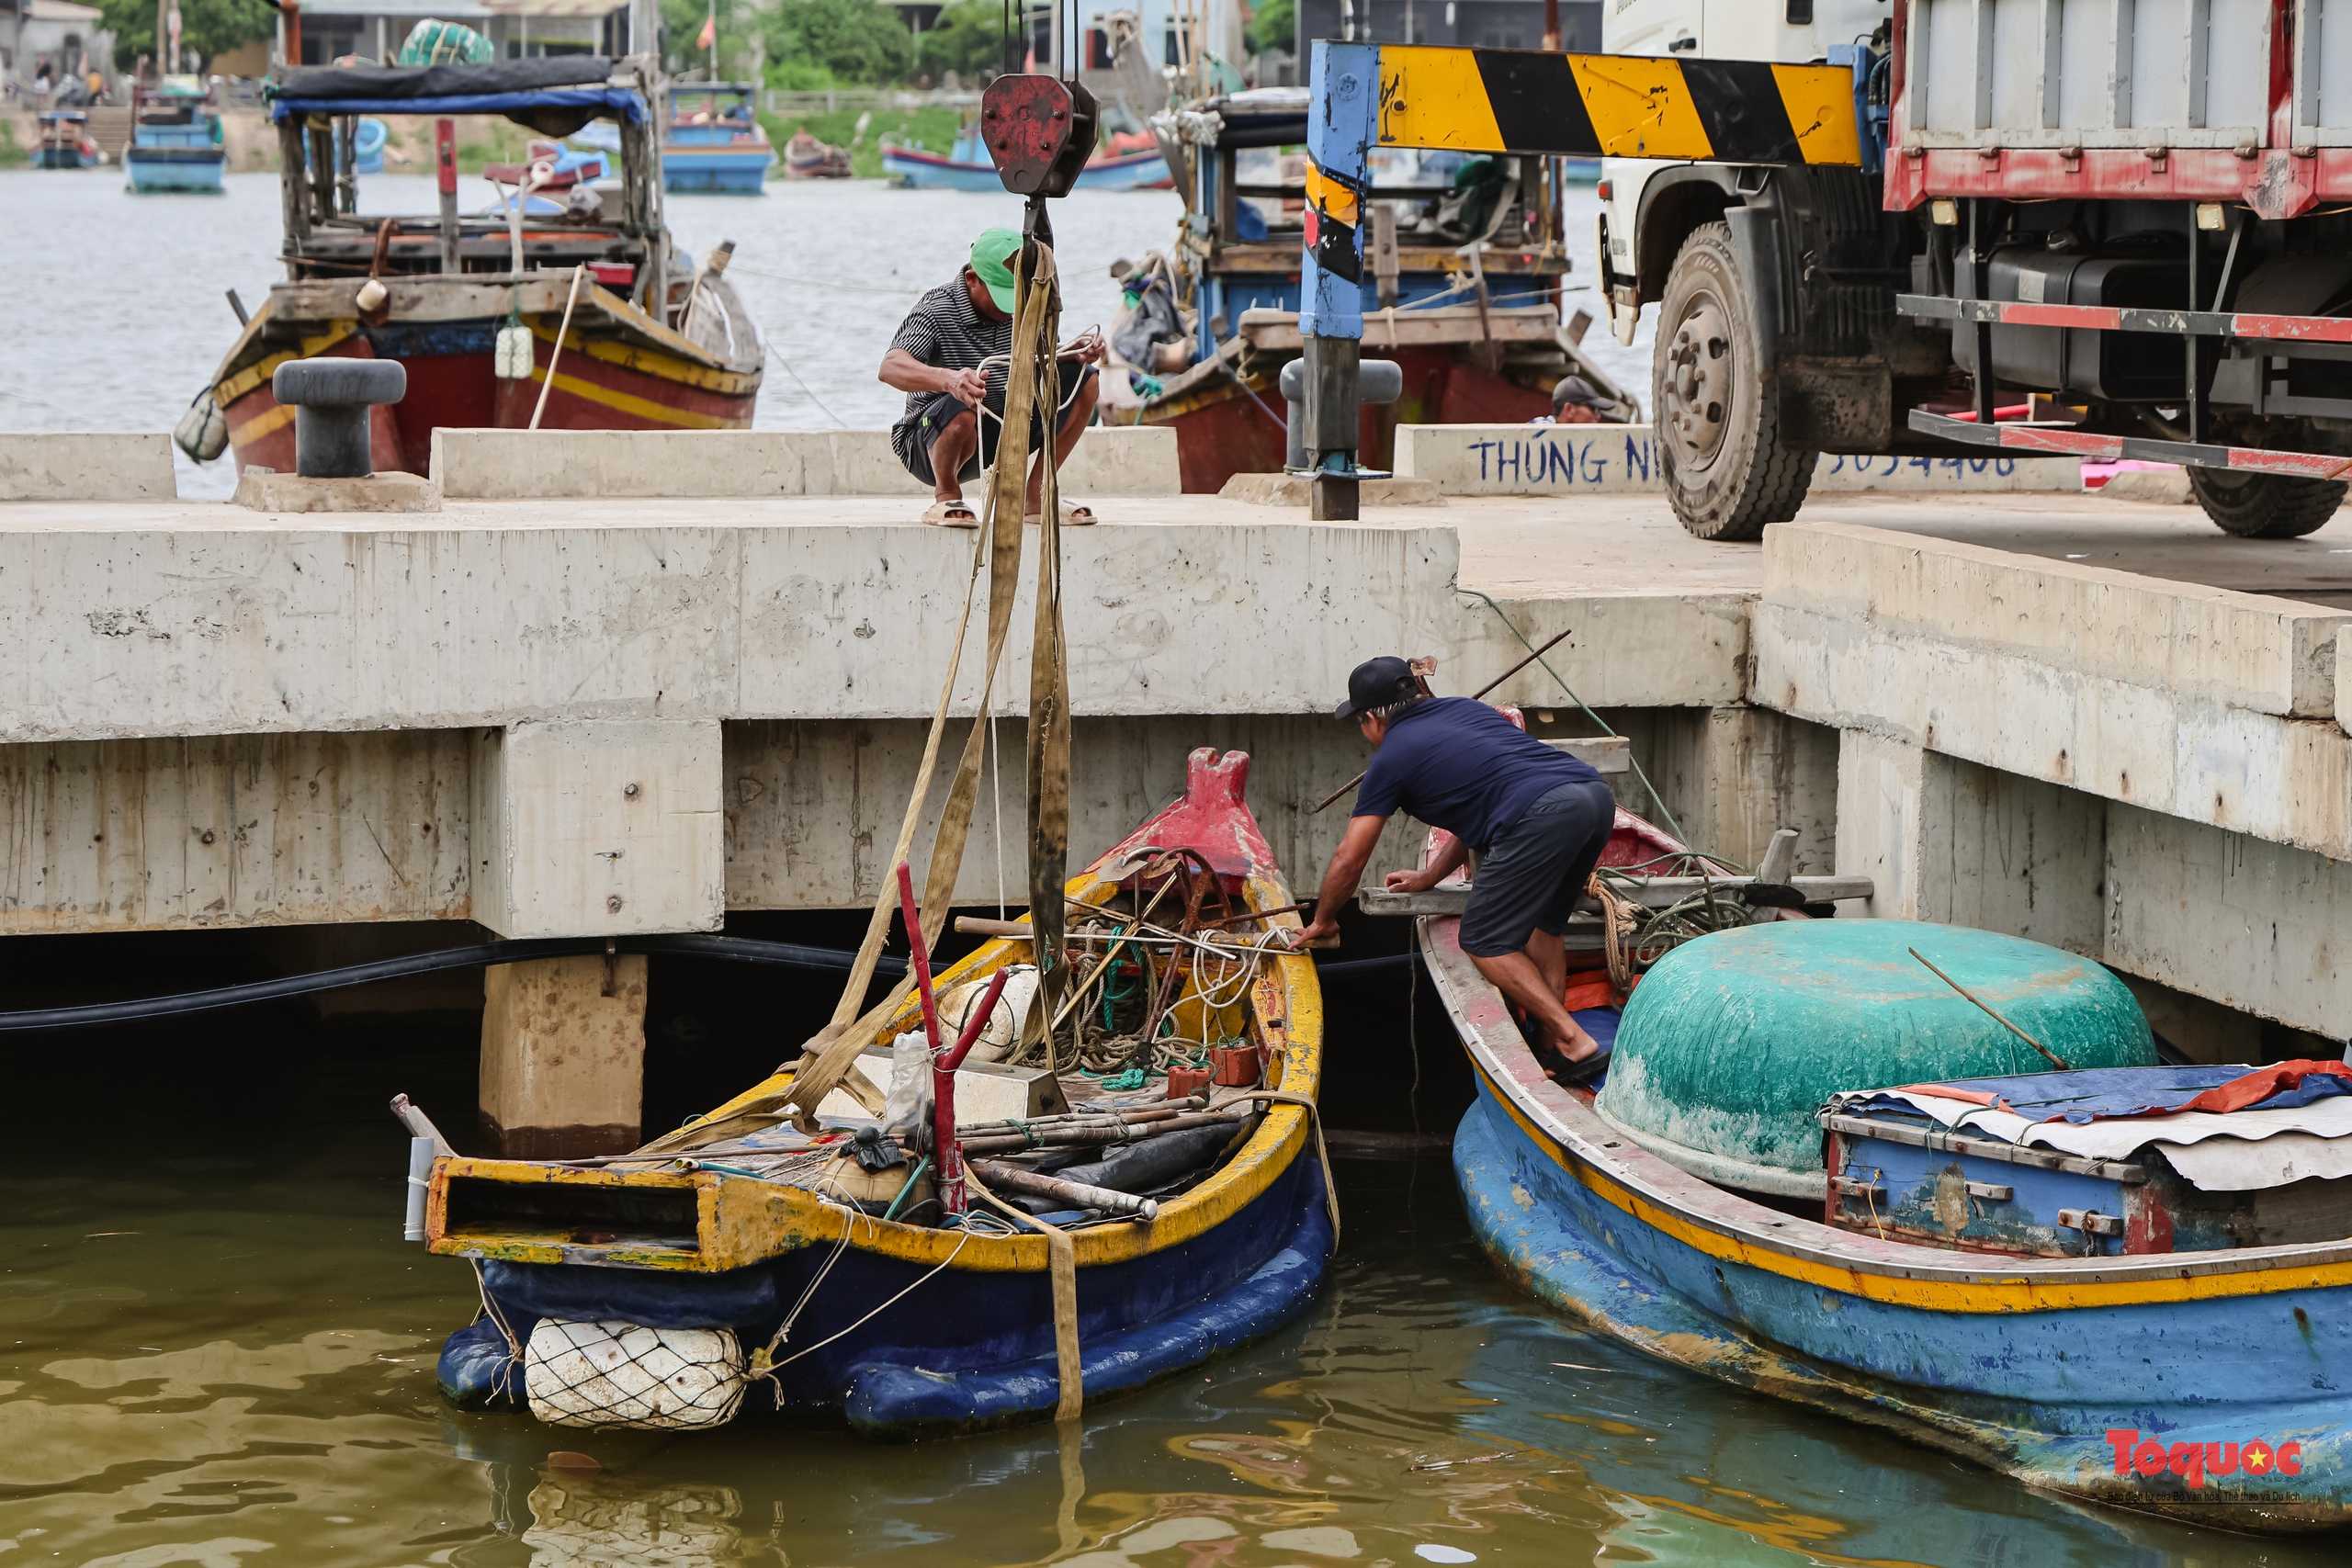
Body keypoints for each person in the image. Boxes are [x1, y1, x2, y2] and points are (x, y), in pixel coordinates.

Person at [1290, 658, 1620, 1077]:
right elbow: (1486, 803)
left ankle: (1575, 1040)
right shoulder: (1468, 710)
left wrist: (1324, 919)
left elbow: (1350, 857)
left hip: (1539, 815)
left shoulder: (1390, 760)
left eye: (1358, 721)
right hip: (1592, 797)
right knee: (1545, 923)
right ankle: (1552, 1044)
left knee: (1484, 939)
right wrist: (1430, 877)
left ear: (1372, 718)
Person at [879, 227, 1104, 528]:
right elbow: (890, 367)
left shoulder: (1025, 308)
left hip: (1002, 430)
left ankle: (1035, 495)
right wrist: (949, 379)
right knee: (962, 404)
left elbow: (1043, 368)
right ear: (972, 280)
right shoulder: (937, 308)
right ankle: (946, 494)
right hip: (933, 438)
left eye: (1016, 297)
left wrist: (1070, 353)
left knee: (1085, 380)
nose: (1011, 309)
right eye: (1002, 298)